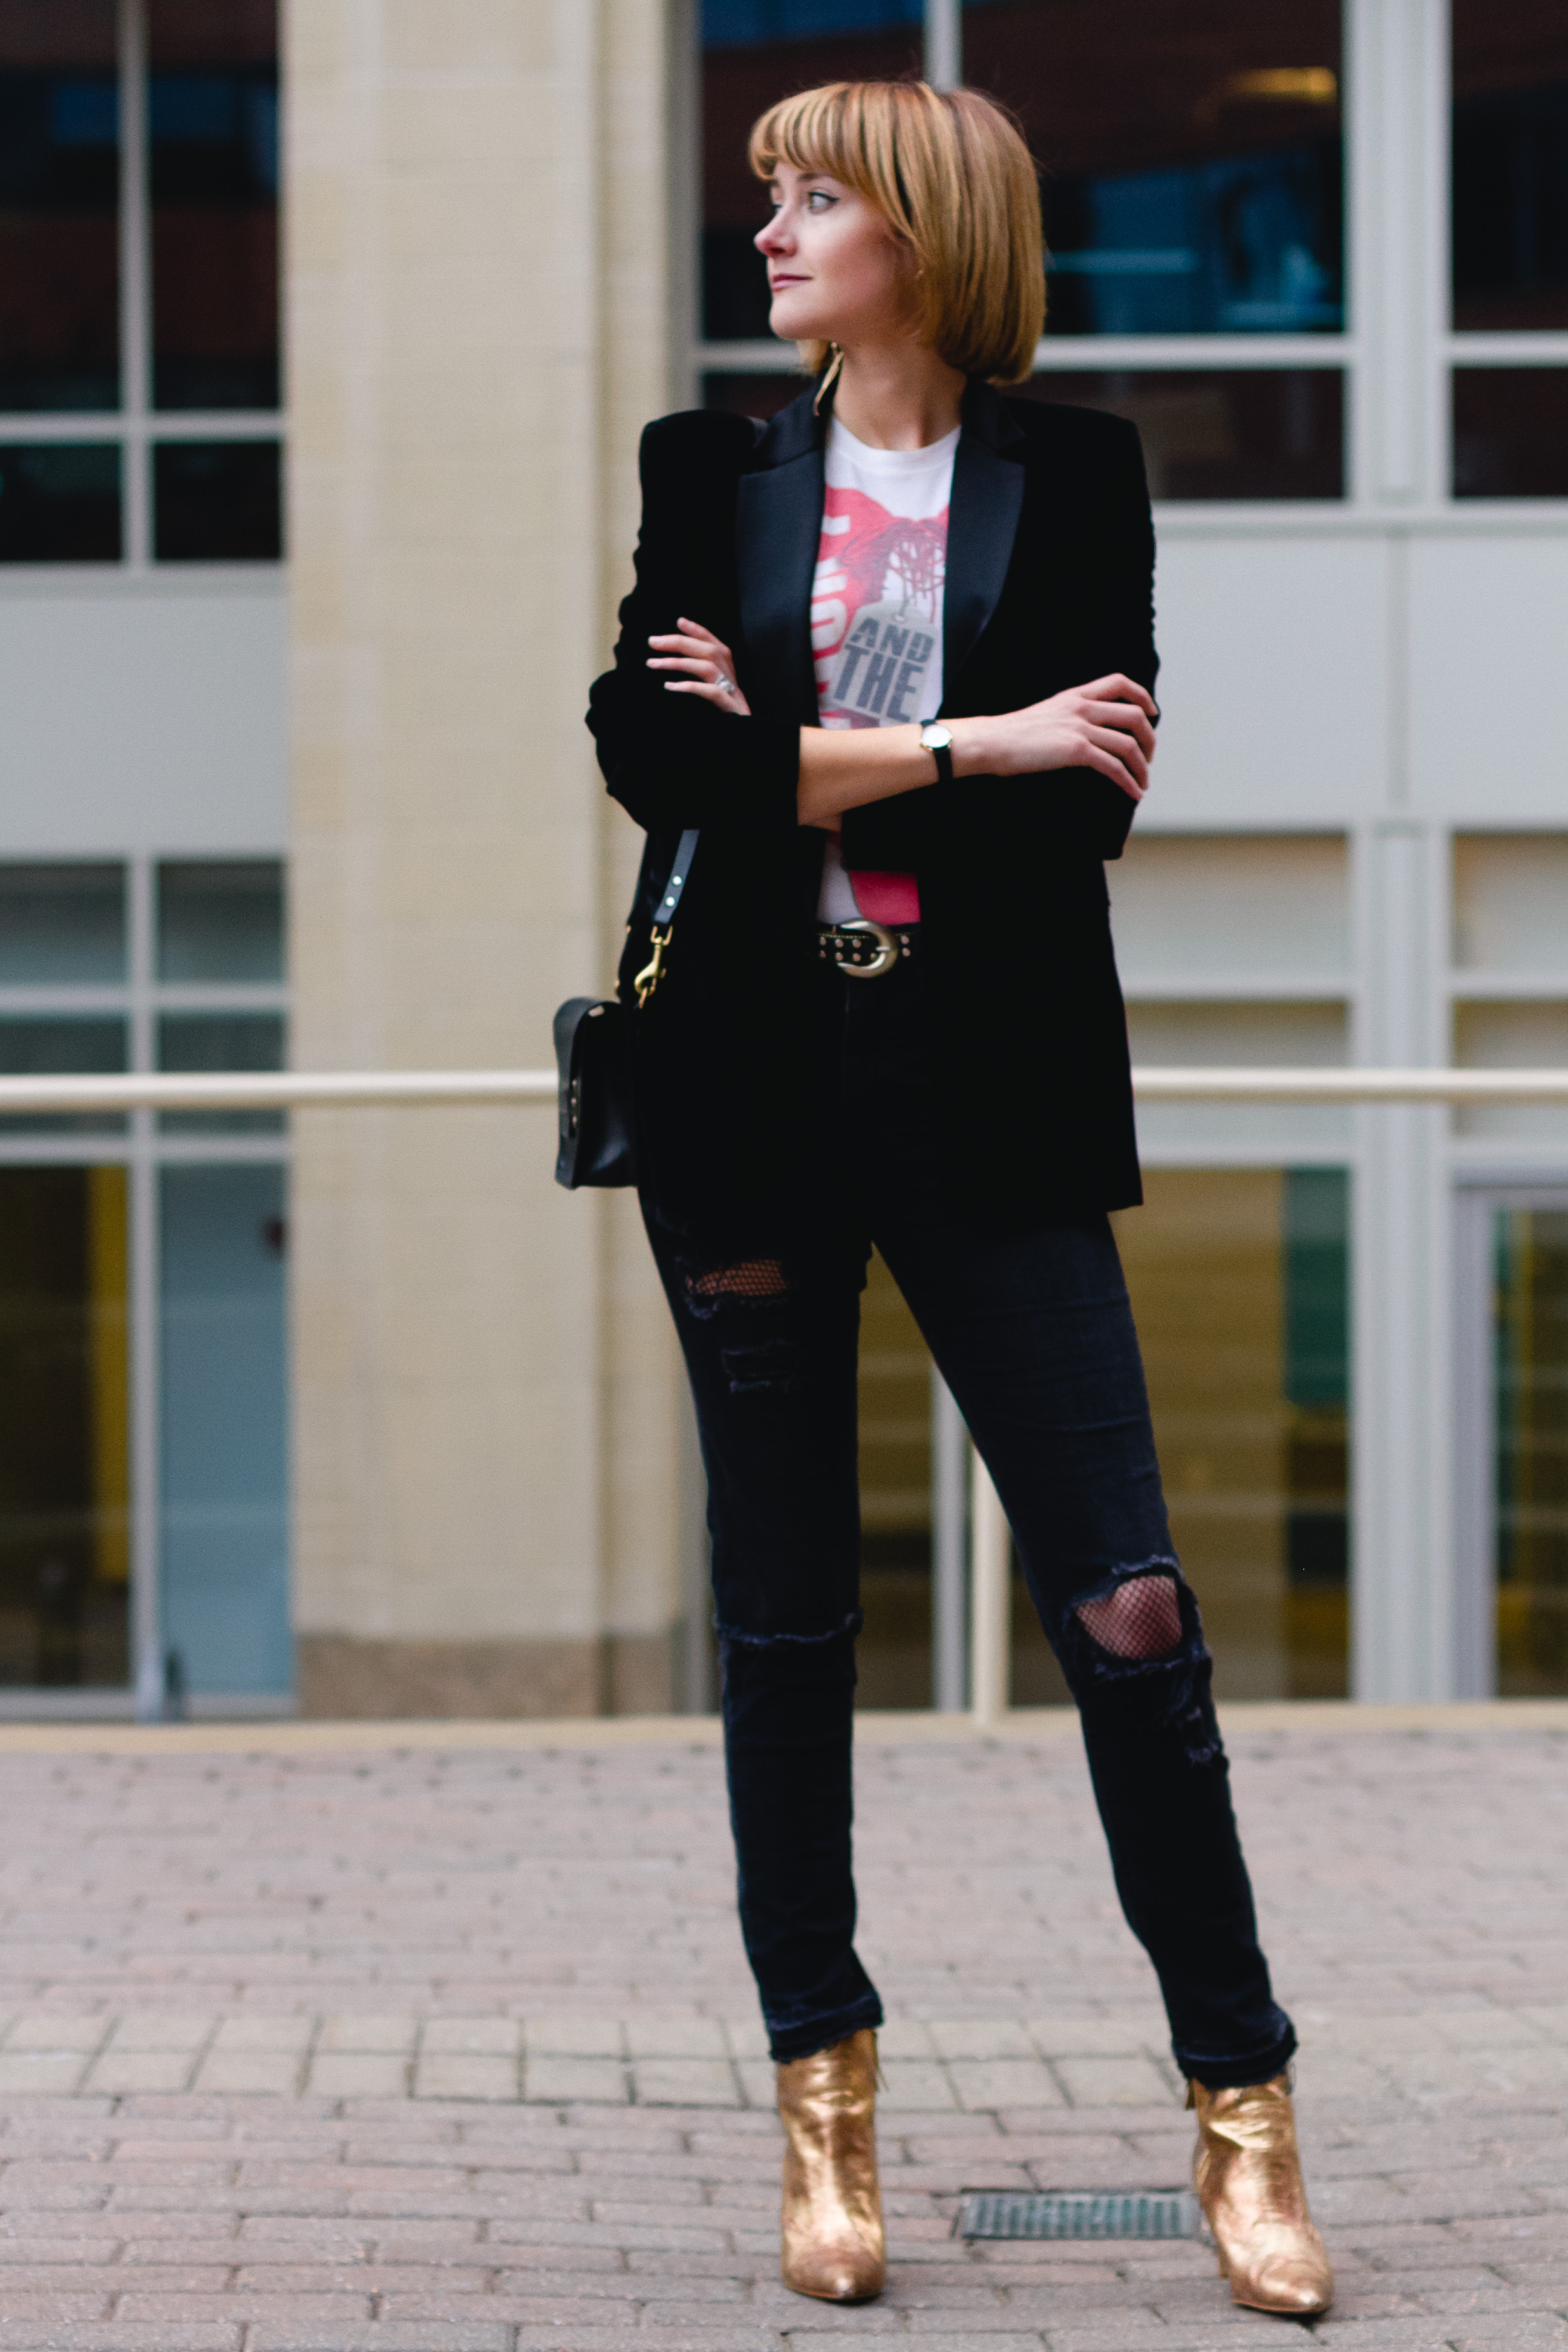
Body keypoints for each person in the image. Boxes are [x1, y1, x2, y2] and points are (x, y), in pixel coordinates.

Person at [586, 77, 1331, 2321]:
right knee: (789, 1620)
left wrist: (819, 750)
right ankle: (827, 2118)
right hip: (744, 1085)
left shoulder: (1075, 472)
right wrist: (973, 739)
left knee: (1129, 1605)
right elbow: (656, 756)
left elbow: (1083, 813)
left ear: (924, 229)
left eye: (816, 201)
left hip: (986, 1089)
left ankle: (1244, 2113)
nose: (776, 236)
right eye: (770, 202)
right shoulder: (707, 470)